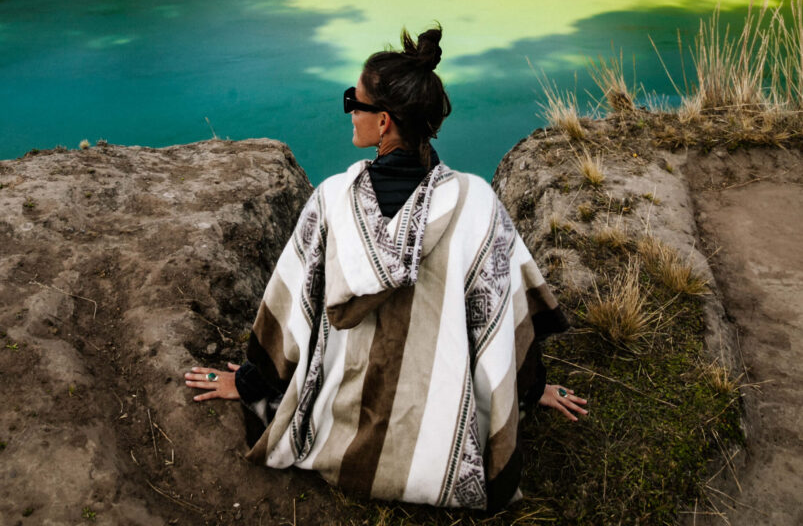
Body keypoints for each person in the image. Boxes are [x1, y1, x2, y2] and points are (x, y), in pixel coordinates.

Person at [185, 26, 587, 510]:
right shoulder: (477, 204)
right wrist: (531, 385)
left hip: (341, 436)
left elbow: (294, 315)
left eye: (354, 101)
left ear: (384, 124)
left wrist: (247, 384)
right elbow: (500, 316)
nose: (349, 110)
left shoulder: (333, 201)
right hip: (444, 452)